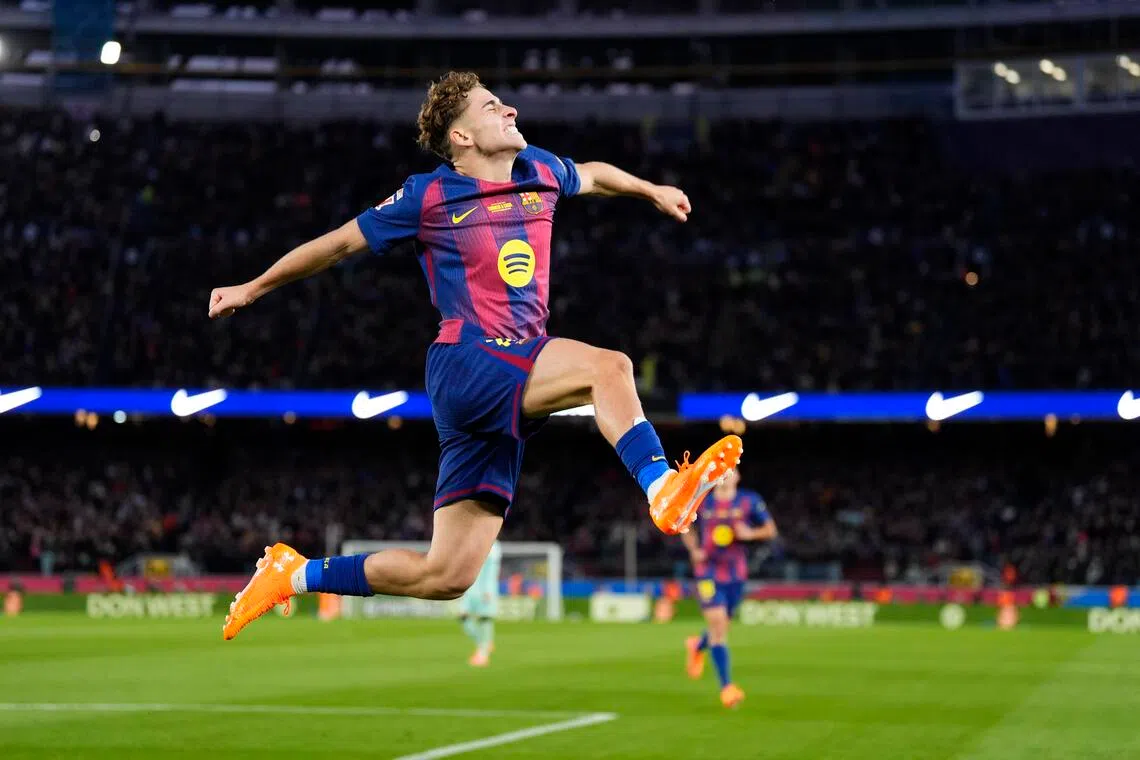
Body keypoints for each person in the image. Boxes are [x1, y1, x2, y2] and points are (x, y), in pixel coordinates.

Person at [208, 71, 742, 641]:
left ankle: (295, 574)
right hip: (469, 361)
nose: (509, 109)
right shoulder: (429, 195)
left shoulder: (539, 169)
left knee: (447, 575)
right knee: (607, 368)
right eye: (492, 107)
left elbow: (594, 175)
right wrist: (251, 288)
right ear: (461, 138)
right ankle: (663, 488)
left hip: (504, 377)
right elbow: (338, 244)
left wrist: (650, 190)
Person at [681, 469, 776, 708]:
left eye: (730, 471)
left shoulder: (749, 500)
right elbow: (684, 524)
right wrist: (694, 550)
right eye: (721, 472)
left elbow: (770, 530)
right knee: (719, 625)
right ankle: (727, 688)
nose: (725, 475)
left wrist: (750, 533)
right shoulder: (703, 499)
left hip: (735, 573)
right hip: (707, 572)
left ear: (737, 477)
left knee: (721, 626)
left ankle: (697, 645)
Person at [459, 540, 501, 667]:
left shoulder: (494, 546)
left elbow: (491, 571)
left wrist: (488, 590)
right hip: (470, 590)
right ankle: (484, 643)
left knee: (485, 620)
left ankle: (482, 655)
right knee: (463, 617)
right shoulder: (472, 541)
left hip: (485, 592)